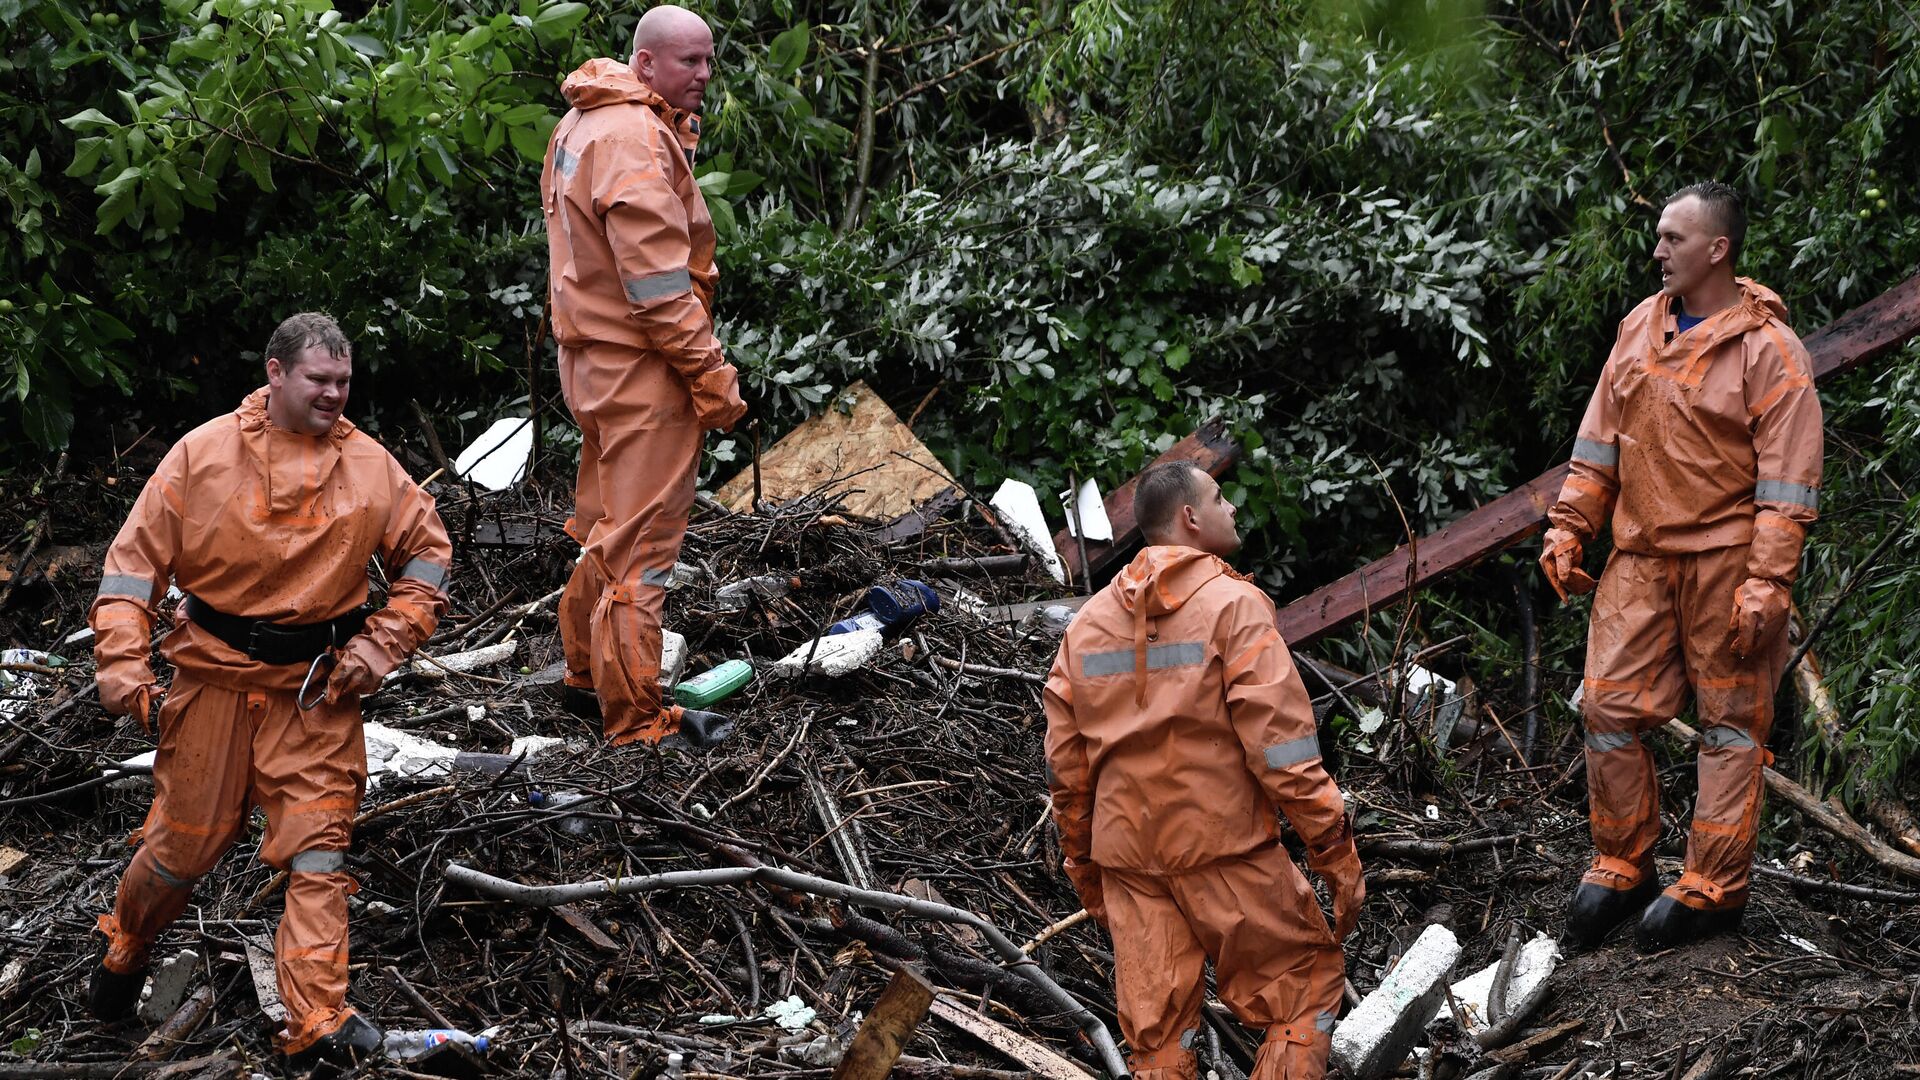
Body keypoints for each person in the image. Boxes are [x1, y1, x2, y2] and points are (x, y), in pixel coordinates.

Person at [86, 313, 451, 1063]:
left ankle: (316, 1024)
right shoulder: (203, 455)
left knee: (319, 853)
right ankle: (124, 947)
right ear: (276, 372)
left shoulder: (372, 466)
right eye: (319, 379)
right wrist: (125, 667)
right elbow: (131, 571)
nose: (334, 395)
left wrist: (382, 642)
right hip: (213, 687)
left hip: (316, 694)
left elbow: (428, 557)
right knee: (178, 854)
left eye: (344, 382)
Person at [1543, 182, 1823, 952]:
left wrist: (1767, 581)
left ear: (1717, 249)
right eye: (1660, 237)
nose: (1658, 250)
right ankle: (1623, 862)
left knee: (1730, 726)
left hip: (1728, 564)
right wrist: (1570, 526)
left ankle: (1713, 886)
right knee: (1605, 707)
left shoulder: (1771, 353)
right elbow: (1599, 440)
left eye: (1673, 238)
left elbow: (1788, 487)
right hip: (1640, 555)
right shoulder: (1640, 325)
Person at [1043, 462, 1363, 1080]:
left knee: (1159, 1042)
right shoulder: (1233, 607)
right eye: (1220, 497)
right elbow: (1283, 751)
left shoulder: (1083, 629)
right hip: (1222, 848)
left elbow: (1068, 774)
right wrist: (1332, 848)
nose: (1233, 507)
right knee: (1304, 990)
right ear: (1190, 518)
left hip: (1129, 859)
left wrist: (1086, 869)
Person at [542, 3, 746, 748]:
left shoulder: (586, 123)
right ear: (646, 63)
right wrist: (711, 375)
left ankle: (583, 675)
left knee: (606, 525)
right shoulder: (632, 140)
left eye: (708, 60)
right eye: (689, 62)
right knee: (643, 548)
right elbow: (657, 289)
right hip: (641, 369)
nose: (703, 76)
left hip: (592, 363)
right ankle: (634, 718)